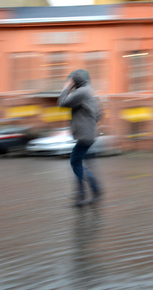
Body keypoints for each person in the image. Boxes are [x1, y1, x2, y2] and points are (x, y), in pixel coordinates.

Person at [58, 69, 103, 207]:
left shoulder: (81, 92)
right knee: (79, 165)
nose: (69, 82)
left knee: (75, 163)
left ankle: (95, 190)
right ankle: (82, 197)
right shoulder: (88, 92)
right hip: (87, 135)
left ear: (75, 82)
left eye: (71, 81)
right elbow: (99, 113)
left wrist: (67, 87)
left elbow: (62, 103)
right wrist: (90, 123)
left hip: (85, 136)